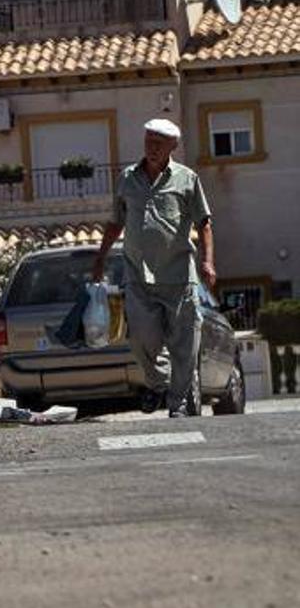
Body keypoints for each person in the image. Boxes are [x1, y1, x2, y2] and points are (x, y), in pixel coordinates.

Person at [93, 118, 215, 417]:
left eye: (159, 143)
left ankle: (177, 406)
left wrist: (208, 260)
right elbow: (115, 221)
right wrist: (100, 258)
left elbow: (204, 223)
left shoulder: (187, 179)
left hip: (178, 276)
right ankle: (159, 383)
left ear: (173, 146)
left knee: (185, 346)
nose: (152, 148)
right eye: (148, 141)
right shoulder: (127, 179)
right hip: (138, 275)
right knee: (140, 339)